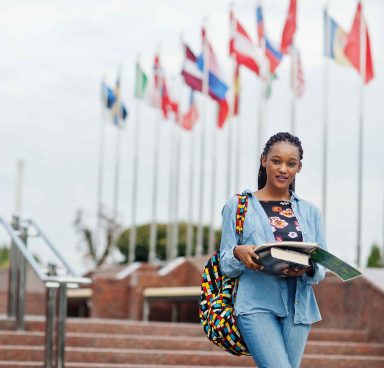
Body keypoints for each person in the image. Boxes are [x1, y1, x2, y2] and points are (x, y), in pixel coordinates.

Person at [219, 132, 327, 368]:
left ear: (299, 167)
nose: (283, 169)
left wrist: (308, 268)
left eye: (291, 163)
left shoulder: (311, 212)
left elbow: (320, 270)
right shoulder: (239, 205)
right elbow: (225, 263)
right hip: (256, 303)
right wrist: (239, 253)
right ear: (264, 160)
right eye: (276, 161)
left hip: (299, 309)